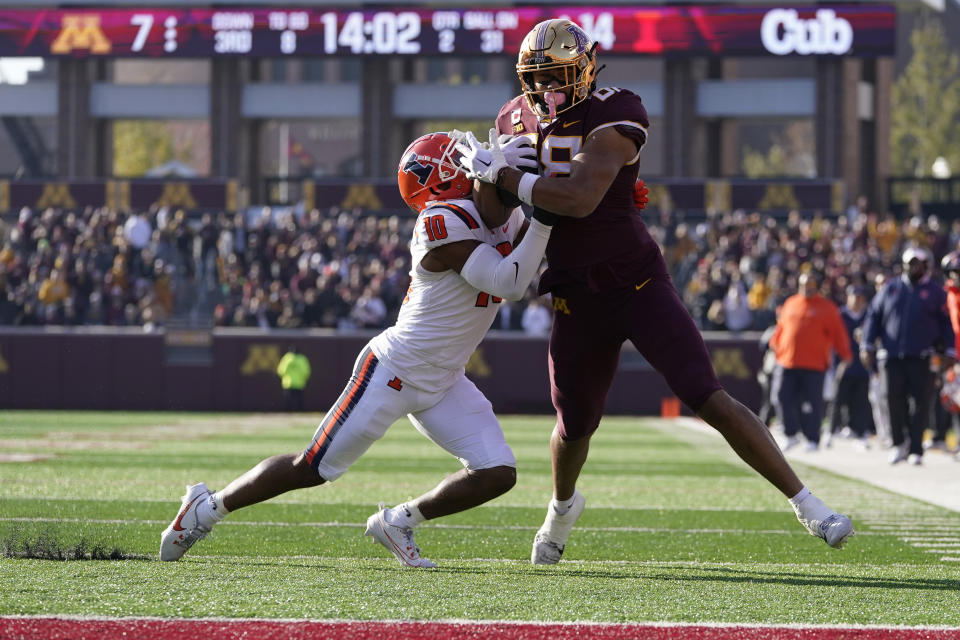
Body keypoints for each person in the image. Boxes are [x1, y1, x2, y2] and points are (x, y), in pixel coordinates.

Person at [455, 18, 854, 565]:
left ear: (586, 69)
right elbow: (495, 209)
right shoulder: (513, 118)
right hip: (574, 289)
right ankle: (562, 507)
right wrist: (484, 175)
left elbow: (578, 199)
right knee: (573, 424)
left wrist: (509, 178)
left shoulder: (616, 111)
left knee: (706, 395)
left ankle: (808, 504)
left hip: (636, 279)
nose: (547, 92)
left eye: (558, 77)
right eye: (538, 79)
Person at [160, 130, 552, 567]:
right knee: (313, 467)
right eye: (468, 164)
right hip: (395, 368)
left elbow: (533, 253)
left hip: (445, 379)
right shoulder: (442, 220)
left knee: (498, 473)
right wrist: (546, 217)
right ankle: (206, 509)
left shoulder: (502, 216)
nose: (485, 169)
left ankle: (398, 521)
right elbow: (510, 282)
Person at [861, 247, 955, 465]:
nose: (913, 267)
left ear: (926, 266)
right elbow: (873, 317)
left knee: (921, 403)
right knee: (893, 399)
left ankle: (916, 449)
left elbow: (946, 324)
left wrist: (949, 350)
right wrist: (867, 345)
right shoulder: (890, 288)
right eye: (910, 263)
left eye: (918, 263)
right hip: (892, 355)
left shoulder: (935, 292)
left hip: (923, 356)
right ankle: (897, 444)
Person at [769, 271, 852, 452]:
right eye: (803, 285)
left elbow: (838, 334)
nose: (807, 288)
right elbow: (781, 327)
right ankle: (791, 434)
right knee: (782, 397)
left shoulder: (827, 308)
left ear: (816, 286)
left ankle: (813, 438)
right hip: (787, 361)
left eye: (810, 285)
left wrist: (846, 354)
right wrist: (775, 342)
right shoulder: (791, 303)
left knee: (814, 403)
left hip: (814, 364)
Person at [826, 286, 874, 451]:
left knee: (861, 401)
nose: (858, 301)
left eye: (860, 297)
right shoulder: (840, 315)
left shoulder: (868, 315)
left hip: (862, 366)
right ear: (848, 297)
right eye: (855, 297)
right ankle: (830, 432)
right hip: (843, 365)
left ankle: (860, 433)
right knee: (838, 400)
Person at [276, 345, 311, 411]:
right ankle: (289, 412)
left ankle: (299, 412)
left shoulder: (288, 358)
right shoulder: (296, 359)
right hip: (292, 384)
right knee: (289, 401)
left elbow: (281, 371)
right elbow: (306, 372)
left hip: (295, 384)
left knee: (298, 401)